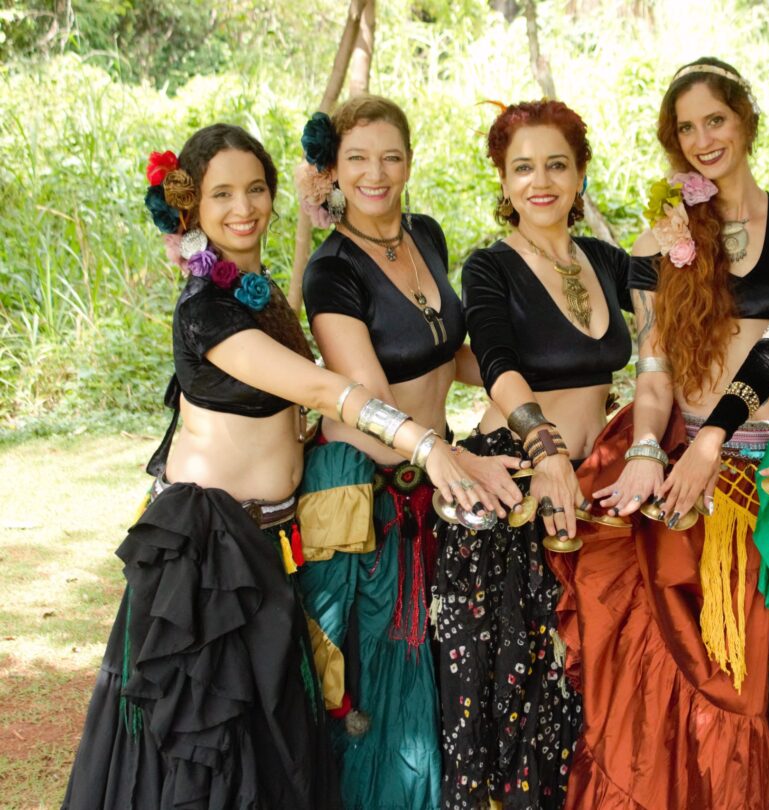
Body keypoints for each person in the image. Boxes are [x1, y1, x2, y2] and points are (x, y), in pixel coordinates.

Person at [63, 124, 494, 809]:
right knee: (211, 754)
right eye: (222, 194)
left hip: (268, 539)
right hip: (210, 552)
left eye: (256, 189)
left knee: (274, 745)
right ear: (191, 208)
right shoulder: (207, 309)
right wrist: (425, 444)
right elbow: (323, 389)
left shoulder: (254, 290)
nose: (244, 208)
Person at [550, 58, 769, 809]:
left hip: (768, 474)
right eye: (686, 128)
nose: (704, 139)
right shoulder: (659, 242)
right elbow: (653, 375)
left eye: (716, 119)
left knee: (753, 676)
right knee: (673, 667)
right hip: (681, 467)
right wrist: (646, 449)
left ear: (746, 120)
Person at [292, 95, 524, 809]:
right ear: (333, 170)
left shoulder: (425, 234)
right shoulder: (332, 271)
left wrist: (534, 373)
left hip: (433, 473)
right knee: (378, 678)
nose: (376, 173)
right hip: (368, 487)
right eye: (357, 159)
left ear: (410, 162)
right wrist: (451, 457)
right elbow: (368, 399)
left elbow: (442, 353)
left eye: (390, 156)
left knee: (438, 668)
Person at [432, 99, 633, 810]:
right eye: (522, 168)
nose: (540, 182)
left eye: (555, 165)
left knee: (572, 695)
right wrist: (546, 451)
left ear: (580, 175)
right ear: (503, 180)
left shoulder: (606, 261)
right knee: (507, 695)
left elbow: (695, 301)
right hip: (512, 483)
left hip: (587, 488)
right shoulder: (491, 266)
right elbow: (495, 363)